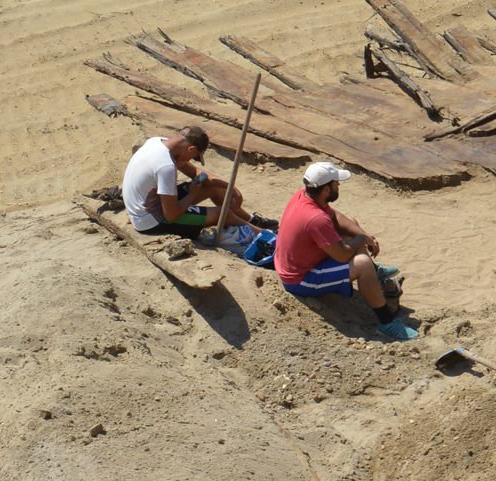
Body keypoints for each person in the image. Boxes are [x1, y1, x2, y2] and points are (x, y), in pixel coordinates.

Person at [275, 163, 419, 341]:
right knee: (362, 263)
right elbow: (342, 255)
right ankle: (387, 322)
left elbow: (336, 218)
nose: (339, 185)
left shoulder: (304, 196)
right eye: (336, 183)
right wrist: (361, 240)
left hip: (297, 261)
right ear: (326, 189)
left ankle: (374, 274)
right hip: (299, 279)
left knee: (351, 225)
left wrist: (364, 235)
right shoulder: (315, 219)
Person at [120, 127, 259, 238]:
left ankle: (251, 220)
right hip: (152, 221)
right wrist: (191, 195)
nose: (190, 160)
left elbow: (195, 172)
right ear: (191, 149)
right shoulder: (165, 166)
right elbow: (171, 215)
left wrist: (229, 186)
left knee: (214, 187)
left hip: (145, 206)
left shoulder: (156, 142)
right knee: (223, 214)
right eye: (193, 157)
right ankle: (266, 236)